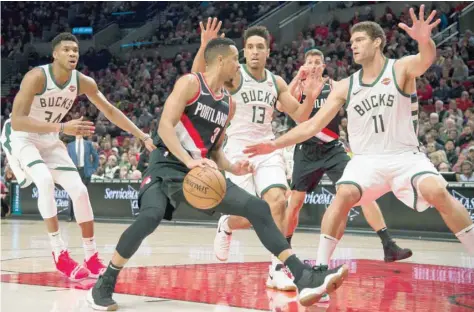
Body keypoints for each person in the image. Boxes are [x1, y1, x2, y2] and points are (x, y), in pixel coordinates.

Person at [87, 37, 348, 311]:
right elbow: (164, 126)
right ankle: (105, 282)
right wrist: (189, 161)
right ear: (221, 60)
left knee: (259, 208)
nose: (240, 64)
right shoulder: (190, 84)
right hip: (167, 165)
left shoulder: (228, 104)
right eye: (236, 59)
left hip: (201, 170)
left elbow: (214, 151)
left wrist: (233, 167)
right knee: (150, 218)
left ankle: (303, 276)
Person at [244, 7, 474, 264]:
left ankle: (397, 244)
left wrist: (424, 40)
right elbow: (308, 125)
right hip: (361, 159)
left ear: (377, 42)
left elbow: (426, 58)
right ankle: (318, 268)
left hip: (404, 155)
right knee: (337, 195)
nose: (352, 45)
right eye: (351, 41)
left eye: (359, 40)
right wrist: (273, 144)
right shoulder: (345, 85)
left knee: (438, 192)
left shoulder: (400, 68)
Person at [5, 32, 156, 281]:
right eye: (66, 49)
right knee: (43, 181)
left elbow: (109, 110)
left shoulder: (83, 82)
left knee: (80, 191)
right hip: (22, 136)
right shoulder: (36, 77)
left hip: (49, 138)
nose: (72, 53)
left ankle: (91, 255)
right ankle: (59, 253)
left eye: (75, 50)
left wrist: (141, 135)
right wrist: (62, 128)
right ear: (54, 54)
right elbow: (19, 121)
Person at [192, 18, 322, 291]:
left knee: (278, 201)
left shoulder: (275, 82)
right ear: (243, 50)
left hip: (266, 149)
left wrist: (309, 97)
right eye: (249, 46)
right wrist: (205, 46)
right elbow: (198, 79)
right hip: (237, 150)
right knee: (252, 214)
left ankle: (276, 268)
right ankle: (226, 224)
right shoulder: (233, 75)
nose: (254, 51)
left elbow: (299, 116)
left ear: (267, 52)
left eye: (259, 47)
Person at [286, 48, 412, 263]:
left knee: (361, 189)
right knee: (295, 201)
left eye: (318, 62)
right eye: (310, 62)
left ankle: (388, 244)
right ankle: (284, 247)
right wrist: (299, 76)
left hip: (332, 147)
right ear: (304, 64)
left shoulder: (335, 86)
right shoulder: (299, 86)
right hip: (305, 149)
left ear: (324, 66)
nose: (314, 65)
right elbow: (284, 103)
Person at [66, 133, 99, 221]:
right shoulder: (70, 145)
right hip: (74, 171)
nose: (78, 133)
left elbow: (96, 157)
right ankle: (70, 215)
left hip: (85, 171)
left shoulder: (88, 144)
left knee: (84, 194)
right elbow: (67, 159)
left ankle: (84, 216)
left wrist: (93, 169)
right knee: (72, 193)